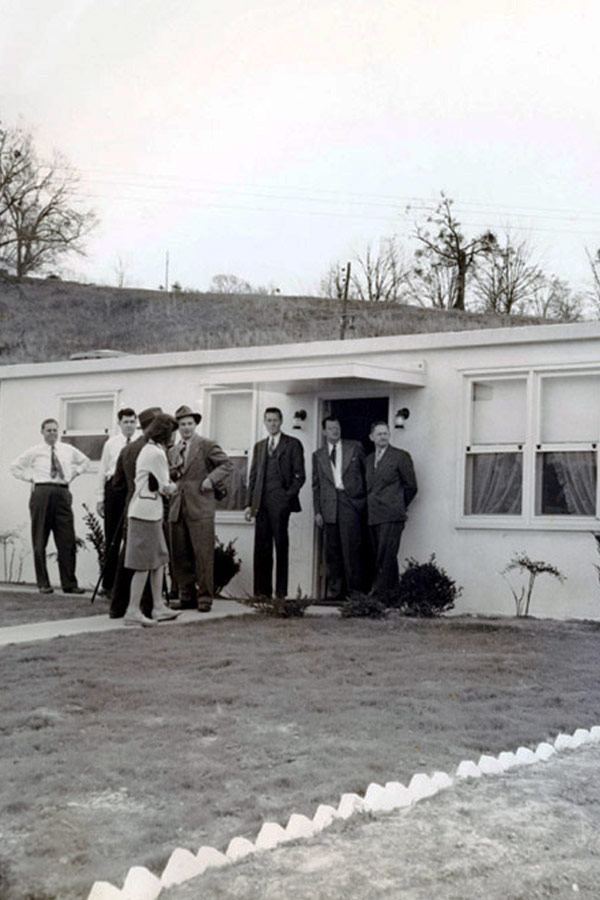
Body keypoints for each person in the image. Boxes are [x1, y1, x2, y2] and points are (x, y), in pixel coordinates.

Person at [10, 417, 90, 594]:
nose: (52, 433)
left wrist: (73, 474)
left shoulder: (67, 450)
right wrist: (31, 477)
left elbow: (85, 461)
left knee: (67, 539)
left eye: (55, 430)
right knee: (40, 538)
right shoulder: (35, 451)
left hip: (62, 491)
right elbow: (15, 467)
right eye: (49, 430)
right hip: (42, 493)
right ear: (42, 432)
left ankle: (69, 583)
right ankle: (43, 583)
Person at [167, 405, 233, 612]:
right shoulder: (173, 450)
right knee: (180, 554)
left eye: (189, 424)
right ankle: (186, 596)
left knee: (203, 554)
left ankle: (205, 598)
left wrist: (210, 480)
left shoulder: (206, 445)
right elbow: (173, 475)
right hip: (178, 507)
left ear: (195, 424)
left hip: (201, 507)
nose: (186, 428)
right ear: (177, 427)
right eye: (182, 424)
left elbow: (227, 465)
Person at [124, 413, 180, 626]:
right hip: (145, 514)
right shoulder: (156, 453)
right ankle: (133, 610)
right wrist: (175, 487)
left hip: (149, 512)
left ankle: (158, 607)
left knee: (157, 561)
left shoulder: (150, 450)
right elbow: (166, 486)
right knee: (145, 564)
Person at [108, 406, 164, 619]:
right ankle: (148, 607)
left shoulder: (127, 449)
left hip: (130, 509)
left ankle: (117, 606)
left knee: (129, 558)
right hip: (149, 510)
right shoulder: (153, 450)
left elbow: (117, 484)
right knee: (149, 559)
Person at [244, 407, 305, 599]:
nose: (272, 424)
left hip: (281, 502)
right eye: (268, 420)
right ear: (264, 422)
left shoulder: (293, 444)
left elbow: (300, 476)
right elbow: (253, 477)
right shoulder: (260, 446)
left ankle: (280, 593)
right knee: (262, 548)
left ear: (281, 421)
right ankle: (262, 593)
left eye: (275, 420)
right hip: (261, 503)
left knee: (281, 547)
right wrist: (249, 504)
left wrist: (287, 497)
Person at [312, 416, 366, 602]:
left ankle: (356, 593)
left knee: (352, 548)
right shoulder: (318, 455)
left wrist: (361, 500)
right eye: (331, 428)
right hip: (328, 506)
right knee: (332, 551)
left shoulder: (355, 447)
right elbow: (316, 485)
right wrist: (317, 511)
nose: (335, 430)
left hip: (350, 502)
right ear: (324, 431)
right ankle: (335, 593)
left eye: (337, 427)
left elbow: (366, 475)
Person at [366, 421, 417, 600]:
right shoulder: (368, 459)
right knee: (385, 556)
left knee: (385, 555)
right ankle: (394, 596)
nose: (383, 436)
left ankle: (377, 596)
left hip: (391, 514)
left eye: (385, 433)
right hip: (373, 515)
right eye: (379, 434)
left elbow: (411, 486)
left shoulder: (400, 456)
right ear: (371, 437)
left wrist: (399, 505)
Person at [96, 407, 137, 596]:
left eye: (132, 421)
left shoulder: (141, 443)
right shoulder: (111, 444)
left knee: (133, 536)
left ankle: (129, 585)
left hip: (134, 487)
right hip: (114, 489)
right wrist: (100, 499)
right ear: (119, 423)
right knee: (112, 537)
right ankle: (108, 584)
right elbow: (102, 471)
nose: (129, 425)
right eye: (126, 422)